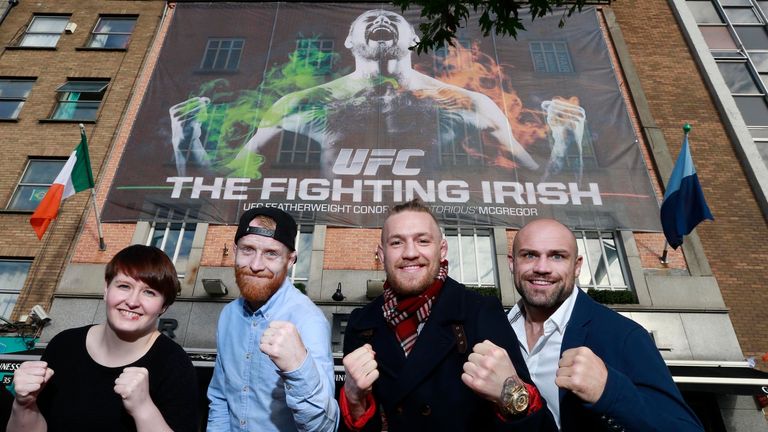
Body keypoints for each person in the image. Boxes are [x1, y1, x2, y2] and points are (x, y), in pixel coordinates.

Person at [169, 9, 586, 177]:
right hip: (336, 232)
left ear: (413, 38)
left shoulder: (469, 103)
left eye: (392, 17)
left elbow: (542, 183)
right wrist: (186, 141)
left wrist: (568, 143)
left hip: (422, 245)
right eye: (370, 17)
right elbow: (223, 180)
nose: (382, 18)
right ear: (350, 41)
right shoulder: (301, 104)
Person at [464, 218, 704, 431]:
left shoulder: (622, 335)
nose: (542, 267)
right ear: (512, 263)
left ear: (577, 266)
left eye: (557, 256)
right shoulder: (492, 332)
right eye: (529, 255)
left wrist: (609, 391)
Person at [339, 199, 557, 431]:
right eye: (396, 243)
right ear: (382, 255)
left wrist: (510, 391)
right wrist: (354, 402)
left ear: (441, 250)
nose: (410, 252)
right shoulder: (361, 324)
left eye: (423, 241)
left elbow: (541, 426)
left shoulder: (479, 312)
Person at [7, 244, 199, 432]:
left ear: (163, 306)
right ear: (106, 289)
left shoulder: (175, 365)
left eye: (149, 292)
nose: (132, 302)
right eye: (124, 286)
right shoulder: (64, 345)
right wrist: (24, 404)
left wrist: (144, 409)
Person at [206, 207, 338, 431]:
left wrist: (298, 369)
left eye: (271, 254)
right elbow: (220, 396)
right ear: (235, 251)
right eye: (248, 250)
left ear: (290, 260)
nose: (256, 265)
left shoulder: (308, 320)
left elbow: (326, 426)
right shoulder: (229, 315)